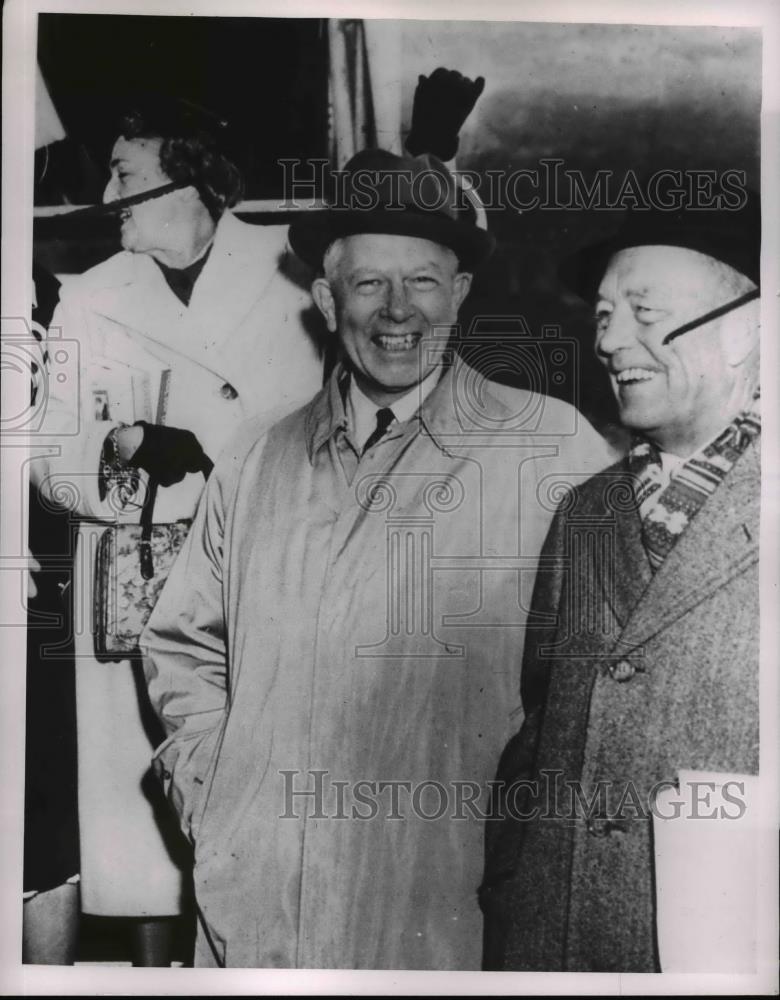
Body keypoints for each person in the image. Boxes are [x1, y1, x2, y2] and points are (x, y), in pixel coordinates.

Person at [141, 148, 612, 969]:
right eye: (368, 285)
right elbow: (183, 645)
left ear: (460, 294)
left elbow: (602, 678)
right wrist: (216, 799)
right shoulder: (258, 459)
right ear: (326, 301)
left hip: (448, 907)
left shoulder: (550, 447)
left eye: (424, 281)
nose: (399, 311)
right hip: (261, 910)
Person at [28, 98, 323, 964]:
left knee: (249, 785)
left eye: (126, 176)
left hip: (263, 563)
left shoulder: (291, 271)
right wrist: (122, 451)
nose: (108, 194)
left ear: (191, 182)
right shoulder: (92, 296)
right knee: (142, 816)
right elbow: (47, 457)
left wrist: (223, 465)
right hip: (133, 571)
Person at [480, 195, 761, 971]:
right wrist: (511, 898)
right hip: (556, 947)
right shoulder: (586, 510)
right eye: (604, 316)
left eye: (644, 312)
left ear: (746, 331)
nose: (610, 341)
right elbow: (535, 741)